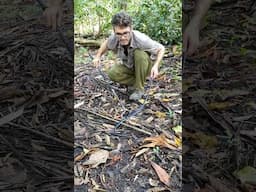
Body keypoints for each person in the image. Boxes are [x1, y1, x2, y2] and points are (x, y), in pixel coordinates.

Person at [93, 12, 165, 101]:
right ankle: (136, 83)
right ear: (114, 31)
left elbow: (161, 49)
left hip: (146, 66)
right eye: (119, 34)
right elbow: (106, 44)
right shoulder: (114, 37)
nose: (122, 37)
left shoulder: (141, 39)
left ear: (131, 29)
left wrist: (156, 66)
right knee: (112, 73)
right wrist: (98, 56)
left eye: (125, 33)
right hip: (130, 65)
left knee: (139, 53)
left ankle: (139, 89)